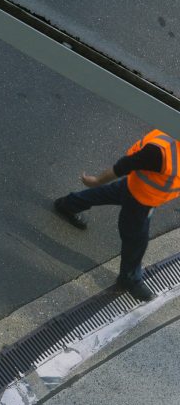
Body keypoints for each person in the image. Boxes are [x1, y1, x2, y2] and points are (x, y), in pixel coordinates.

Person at [54, 129, 180, 302]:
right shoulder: (159, 153)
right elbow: (124, 166)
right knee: (136, 241)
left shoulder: (167, 138)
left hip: (135, 188)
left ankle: (68, 204)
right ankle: (130, 279)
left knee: (108, 193)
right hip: (140, 202)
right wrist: (96, 180)